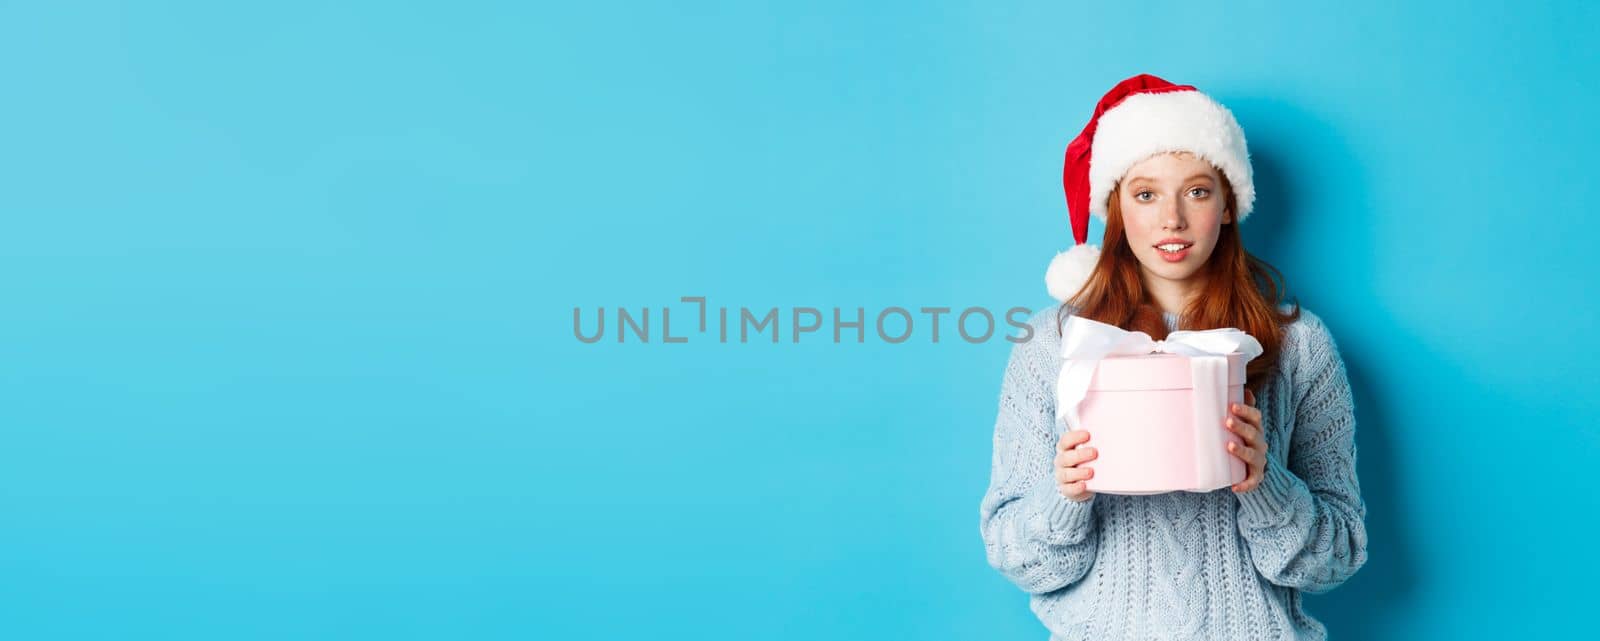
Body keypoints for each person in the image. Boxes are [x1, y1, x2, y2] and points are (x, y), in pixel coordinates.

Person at [978, 74, 1367, 640]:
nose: (1172, 220)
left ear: (1229, 204)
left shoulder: (1299, 344)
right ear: (1115, 209)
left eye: (1198, 191)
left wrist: (1265, 483)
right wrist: (1065, 495)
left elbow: (1337, 559)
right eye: (1145, 193)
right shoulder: (1052, 345)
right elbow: (1018, 560)